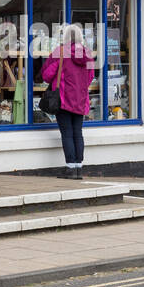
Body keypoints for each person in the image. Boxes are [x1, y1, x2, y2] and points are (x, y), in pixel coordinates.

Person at [41, 23, 95, 179]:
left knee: (67, 133)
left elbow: (46, 75)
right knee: (78, 133)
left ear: (64, 37)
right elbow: (90, 77)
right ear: (80, 37)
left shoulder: (60, 52)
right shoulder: (88, 54)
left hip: (63, 100)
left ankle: (70, 168)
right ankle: (79, 168)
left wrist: (60, 65)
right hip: (81, 99)